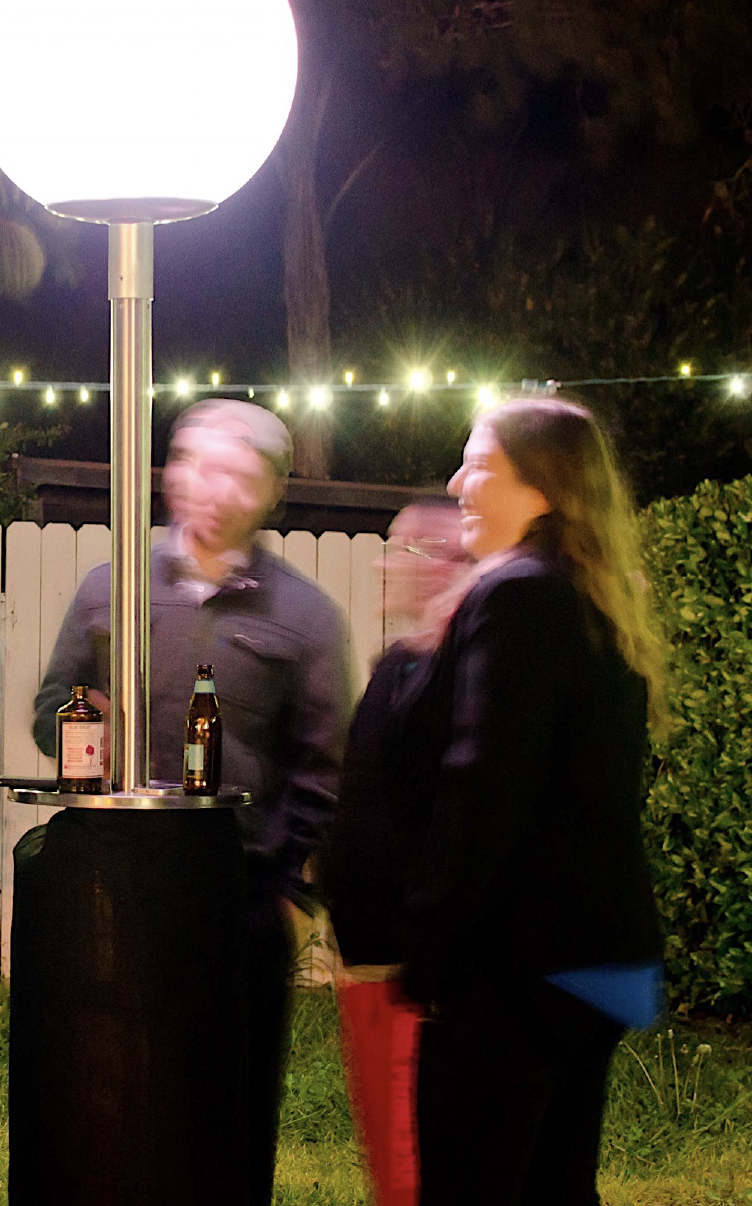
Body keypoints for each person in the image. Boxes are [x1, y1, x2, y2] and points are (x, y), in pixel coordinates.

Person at [32, 398, 351, 1206]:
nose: (209, 487)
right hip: (109, 896)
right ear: (170, 471)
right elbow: (49, 714)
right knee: (104, 1103)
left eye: (236, 473)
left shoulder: (303, 616)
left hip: (235, 899)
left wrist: (290, 898)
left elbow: (325, 769)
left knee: (225, 1119)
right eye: (196, 464)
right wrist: (87, 731)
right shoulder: (111, 589)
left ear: (272, 492)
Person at [397, 398, 666, 1206]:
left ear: (541, 488)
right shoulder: (592, 597)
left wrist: (432, 951)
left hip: (515, 967)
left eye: (478, 465)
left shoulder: (515, 593)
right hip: (596, 961)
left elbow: (484, 790)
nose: (457, 482)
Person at [318, 499, 473, 1206]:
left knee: (421, 1165)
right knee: (389, 1161)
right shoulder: (398, 667)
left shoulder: (463, 673)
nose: (386, 564)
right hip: (366, 963)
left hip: (418, 970)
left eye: (406, 551)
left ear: (452, 561)